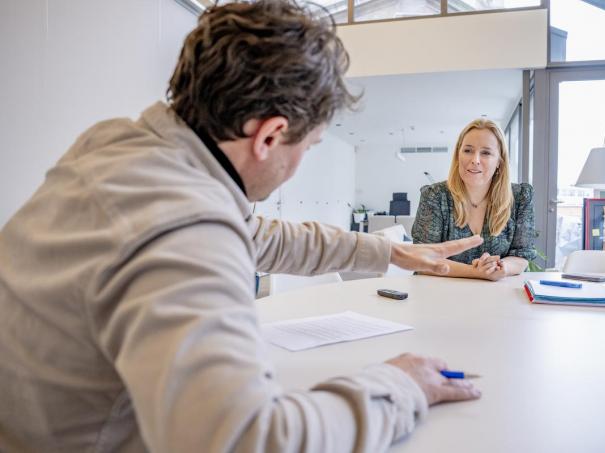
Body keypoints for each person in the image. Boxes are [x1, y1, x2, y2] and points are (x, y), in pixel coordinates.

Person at [0, 1, 484, 452]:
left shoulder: (125, 148)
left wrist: (389, 253)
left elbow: (257, 235)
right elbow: (246, 439)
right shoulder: (181, 225)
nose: (299, 163)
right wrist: (401, 385)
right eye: (308, 147)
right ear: (271, 135)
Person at [412, 118, 537, 281]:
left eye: (486, 153)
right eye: (468, 150)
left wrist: (501, 267)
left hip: (499, 296)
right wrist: (476, 272)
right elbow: (423, 259)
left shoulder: (521, 197)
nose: (475, 160)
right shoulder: (435, 195)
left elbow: (521, 255)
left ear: (499, 161)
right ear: (458, 156)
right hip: (442, 295)